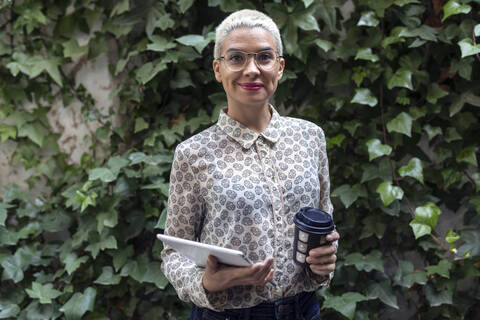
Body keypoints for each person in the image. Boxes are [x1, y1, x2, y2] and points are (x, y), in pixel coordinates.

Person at [161, 9, 340, 320]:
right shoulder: (193, 154)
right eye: (237, 58)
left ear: (280, 67)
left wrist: (326, 257)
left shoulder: (310, 137)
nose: (252, 69)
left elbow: (324, 222)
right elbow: (174, 253)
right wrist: (205, 281)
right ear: (218, 69)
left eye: (264, 57)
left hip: (304, 310)